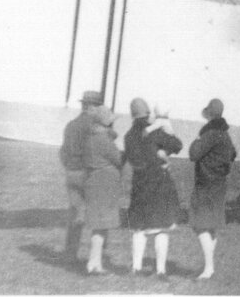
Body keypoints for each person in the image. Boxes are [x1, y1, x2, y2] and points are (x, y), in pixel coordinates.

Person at [124, 98, 183, 278]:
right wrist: (165, 150)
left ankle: (136, 267)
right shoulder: (156, 133)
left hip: (140, 185)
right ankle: (161, 270)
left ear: (132, 115)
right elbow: (178, 145)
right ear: (148, 113)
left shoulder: (129, 136)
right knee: (161, 228)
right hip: (160, 184)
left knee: (139, 228)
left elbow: (134, 160)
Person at [188, 98, 237, 280]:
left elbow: (194, 154)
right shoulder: (225, 135)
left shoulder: (209, 134)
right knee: (212, 226)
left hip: (205, 185)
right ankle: (208, 267)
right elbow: (233, 153)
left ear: (209, 115)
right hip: (219, 185)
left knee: (200, 225)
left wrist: (196, 140)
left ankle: (209, 268)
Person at [59, 90, 104, 265]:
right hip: (87, 174)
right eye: (98, 106)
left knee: (75, 214)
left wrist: (69, 167)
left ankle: (70, 255)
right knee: (98, 215)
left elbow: (62, 151)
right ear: (92, 107)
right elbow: (96, 152)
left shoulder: (71, 125)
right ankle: (96, 259)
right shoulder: (93, 126)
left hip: (71, 172)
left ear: (83, 105)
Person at [82, 106, 125, 275]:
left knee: (98, 226)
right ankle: (94, 263)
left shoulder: (91, 138)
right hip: (104, 186)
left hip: (94, 183)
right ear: (107, 123)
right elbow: (119, 159)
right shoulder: (104, 140)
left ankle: (95, 262)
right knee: (101, 226)